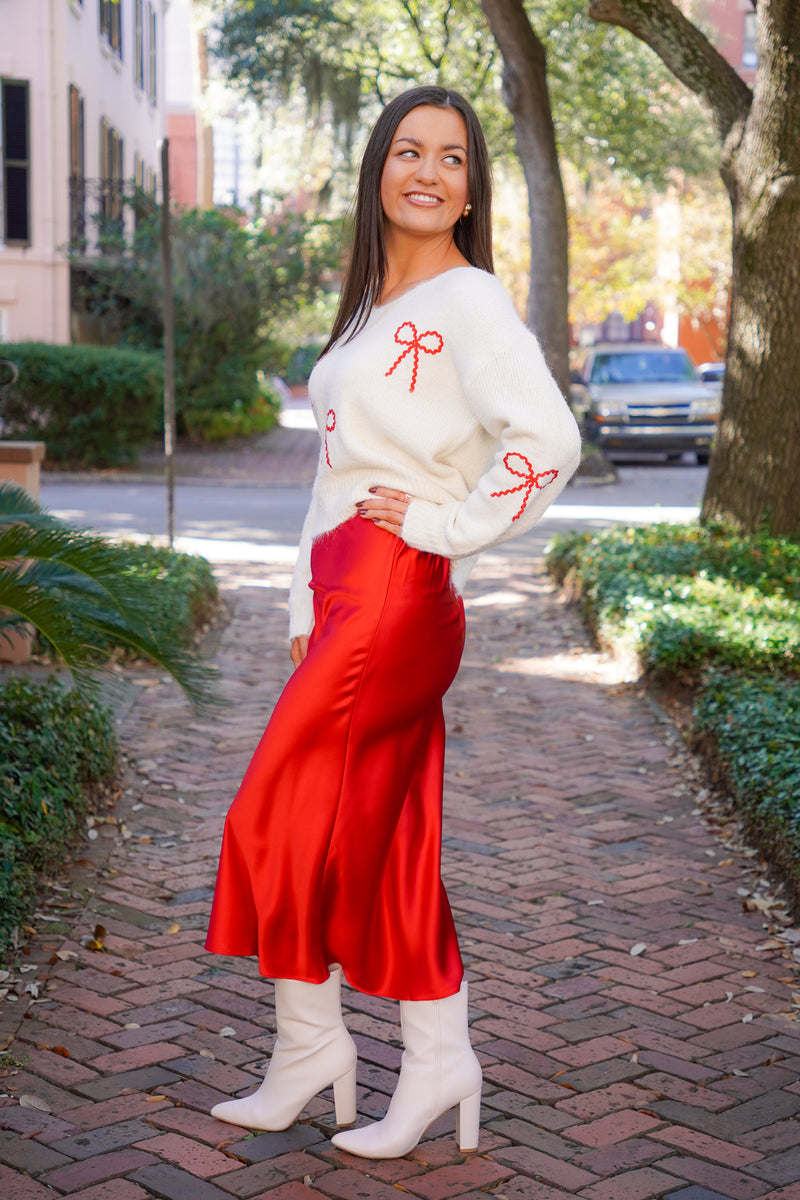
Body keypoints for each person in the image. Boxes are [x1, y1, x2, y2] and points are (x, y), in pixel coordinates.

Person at [204, 84, 581, 1160]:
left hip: (396, 588)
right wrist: (295, 601)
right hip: (345, 592)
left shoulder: (470, 302)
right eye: (407, 151)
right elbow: (333, 474)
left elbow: (544, 439)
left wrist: (449, 524)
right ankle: (408, 1060)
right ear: (377, 171)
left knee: (273, 816)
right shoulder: (371, 308)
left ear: (470, 189)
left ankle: (321, 1049)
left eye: (451, 158)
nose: (427, 171)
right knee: (384, 833)